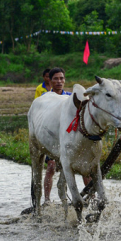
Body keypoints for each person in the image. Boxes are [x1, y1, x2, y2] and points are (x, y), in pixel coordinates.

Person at [40, 67, 72, 205]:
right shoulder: (45, 99)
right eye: (56, 79)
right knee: (51, 167)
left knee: (79, 168)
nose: (59, 81)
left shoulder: (71, 97)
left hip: (68, 138)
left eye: (61, 78)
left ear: (64, 80)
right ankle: (47, 200)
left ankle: (88, 197)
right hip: (52, 137)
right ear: (50, 80)